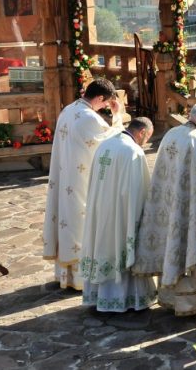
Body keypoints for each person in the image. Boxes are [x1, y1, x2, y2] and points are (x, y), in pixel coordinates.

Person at [133, 103, 196, 316]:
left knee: (172, 247)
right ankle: (194, 302)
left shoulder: (172, 134)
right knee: (191, 243)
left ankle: (169, 297)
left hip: (169, 203)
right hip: (190, 209)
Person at [43, 78, 124, 290]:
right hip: (80, 182)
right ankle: (80, 278)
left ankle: (65, 275)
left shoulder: (68, 109)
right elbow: (111, 142)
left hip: (65, 177)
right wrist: (117, 117)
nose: (106, 107)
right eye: (106, 103)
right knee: (79, 224)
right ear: (99, 98)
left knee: (67, 221)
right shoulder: (89, 117)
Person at [80, 117, 157, 312]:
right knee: (120, 245)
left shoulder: (105, 145)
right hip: (121, 213)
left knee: (103, 245)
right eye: (147, 138)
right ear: (141, 133)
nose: (145, 142)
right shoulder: (133, 151)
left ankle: (98, 296)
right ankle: (125, 299)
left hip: (101, 209)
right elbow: (139, 190)